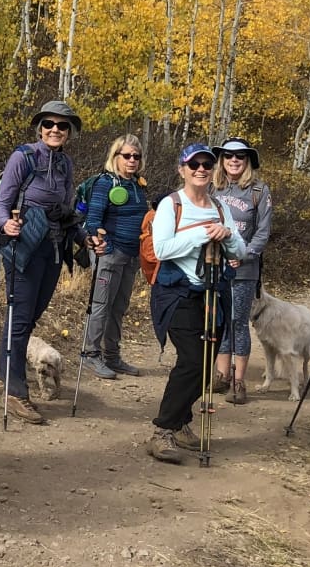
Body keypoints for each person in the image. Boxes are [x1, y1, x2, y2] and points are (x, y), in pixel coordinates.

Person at [146, 145, 247, 464]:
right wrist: (202, 234)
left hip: (211, 295)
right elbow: (162, 249)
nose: (201, 169)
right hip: (176, 293)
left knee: (207, 365)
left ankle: (180, 422)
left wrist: (227, 235)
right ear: (182, 169)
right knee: (192, 360)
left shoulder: (219, 207)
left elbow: (240, 251)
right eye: (194, 164)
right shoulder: (170, 205)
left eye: (206, 164)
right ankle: (162, 430)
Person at [0, 100, 84, 423]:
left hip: (54, 248)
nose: (55, 130)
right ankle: (15, 392)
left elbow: (68, 204)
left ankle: (7, 374)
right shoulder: (24, 157)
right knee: (19, 319)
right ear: (40, 128)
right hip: (25, 247)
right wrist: (7, 224)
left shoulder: (65, 165)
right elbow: (2, 202)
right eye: (49, 124)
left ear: (70, 131)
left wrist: (81, 234)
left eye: (62, 126)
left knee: (29, 319)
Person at [79, 135, 150, 380]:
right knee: (100, 306)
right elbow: (93, 220)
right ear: (116, 156)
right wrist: (101, 247)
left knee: (119, 308)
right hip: (110, 254)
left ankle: (112, 356)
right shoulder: (105, 183)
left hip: (131, 256)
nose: (132, 160)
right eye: (127, 155)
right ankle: (90, 354)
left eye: (136, 156)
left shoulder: (138, 184)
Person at [210, 137, 273, 405]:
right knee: (219, 320)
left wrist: (243, 255)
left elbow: (263, 232)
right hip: (213, 267)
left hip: (244, 270)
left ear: (248, 161)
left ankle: (238, 380)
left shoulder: (259, 191)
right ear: (221, 161)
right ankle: (221, 376)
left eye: (240, 157)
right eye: (228, 156)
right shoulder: (212, 188)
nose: (234, 161)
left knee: (237, 321)